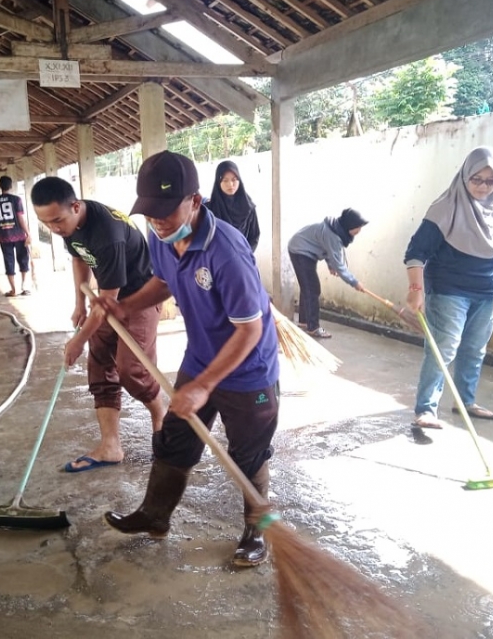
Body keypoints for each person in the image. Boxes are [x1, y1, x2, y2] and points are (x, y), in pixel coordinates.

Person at [99, 151, 280, 568]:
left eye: (165, 211)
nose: (157, 221)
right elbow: (164, 281)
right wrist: (126, 306)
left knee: (249, 455)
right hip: (200, 358)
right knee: (175, 439)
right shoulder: (161, 235)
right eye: (150, 213)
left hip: (248, 369)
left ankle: (257, 531)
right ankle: (155, 515)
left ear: (195, 201)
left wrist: (203, 387)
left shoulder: (227, 251)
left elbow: (249, 330)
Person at [31, 177, 165, 472]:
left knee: (132, 370)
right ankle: (110, 446)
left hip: (139, 299)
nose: (54, 228)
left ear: (75, 207)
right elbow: (79, 257)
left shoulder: (107, 234)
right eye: (46, 223)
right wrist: (79, 303)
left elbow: (107, 304)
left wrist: (78, 341)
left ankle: (161, 417)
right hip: (107, 297)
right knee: (100, 366)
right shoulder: (71, 224)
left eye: (57, 221)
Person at [404, 146, 493, 429]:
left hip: (487, 290)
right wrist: (416, 289)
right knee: (443, 349)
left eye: (491, 180)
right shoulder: (446, 206)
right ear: (465, 175)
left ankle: (465, 401)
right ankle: (426, 409)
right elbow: (416, 252)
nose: (483, 187)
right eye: (477, 179)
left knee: (474, 349)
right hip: (449, 290)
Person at [287, 208, 372, 339]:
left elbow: (326, 249)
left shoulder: (335, 229)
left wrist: (331, 265)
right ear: (349, 225)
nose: (359, 230)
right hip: (300, 250)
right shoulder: (333, 235)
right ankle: (313, 328)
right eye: (358, 227)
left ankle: (304, 322)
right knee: (312, 288)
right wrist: (354, 282)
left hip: (303, 249)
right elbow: (339, 265)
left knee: (308, 286)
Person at [204, 160, 260, 252]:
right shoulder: (208, 210)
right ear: (218, 182)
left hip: (242, 256)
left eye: (234, 180)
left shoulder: (248, 208)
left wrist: (245, 255)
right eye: (225, 180)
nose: (230, 184)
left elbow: (254, 237)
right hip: (216, 258)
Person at [0, 176, 32, 297]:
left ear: (0, 186)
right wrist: (28, 233)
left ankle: (13, 290)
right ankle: (24, 287)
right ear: (11, 186)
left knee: (9, 262)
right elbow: (20, 218)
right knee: (23, 260)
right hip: (19, 235)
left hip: (4, 237)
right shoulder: (16, 199)